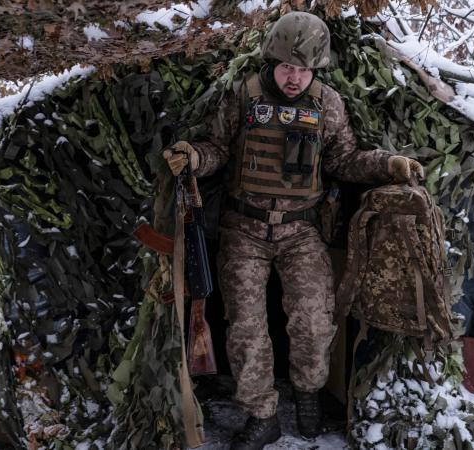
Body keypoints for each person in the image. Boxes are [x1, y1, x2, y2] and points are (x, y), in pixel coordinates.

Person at [163, 12, 422, 450]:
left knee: (315, 322)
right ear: (272, 62)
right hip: (243, 229)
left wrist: (388, 164)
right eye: (287, 67)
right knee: (245, 329)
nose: (294, 78)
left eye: (303, 70)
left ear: (315, 69)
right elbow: (217, 149)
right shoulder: (243, 95)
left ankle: (308, 394)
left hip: (301, 231)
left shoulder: (327, 104)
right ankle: (262, 415)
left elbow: (344, 160)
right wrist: (193, 158)